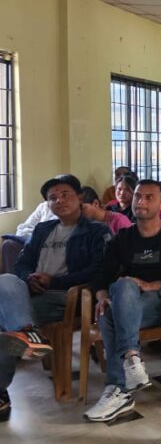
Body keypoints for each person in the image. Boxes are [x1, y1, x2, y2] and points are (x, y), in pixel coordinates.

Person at [0, 175, 110, 422]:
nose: (59, 200)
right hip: (33, 294)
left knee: (4, 324)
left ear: (79, 198)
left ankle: (1, 390)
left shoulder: (96, 231)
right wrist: (28, 278)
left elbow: (99, 271)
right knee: (6, 280)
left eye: (65, 194)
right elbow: (21, 264)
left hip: (67, 298)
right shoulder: (43, 229)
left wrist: (54, 281)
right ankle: (27, 332)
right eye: (52, 198)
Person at [84, 179, 161, 422]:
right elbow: (102, 274)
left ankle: (118, 388)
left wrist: (155, 285)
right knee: (121, 290)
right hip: (128, 300)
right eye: (138, 196)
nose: (141, 201)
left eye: (149, 197)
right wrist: (101, 296)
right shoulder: (123, 238)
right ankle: (131, 359)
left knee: (110, 316)